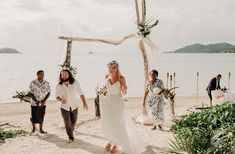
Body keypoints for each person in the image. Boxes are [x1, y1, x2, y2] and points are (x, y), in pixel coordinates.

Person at [99, 60, 146, 154]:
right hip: (109, 101)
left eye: (114, 67)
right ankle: (110, 140)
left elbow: (124, 92)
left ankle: (115, 144)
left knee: (118, 122)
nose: (111, 69)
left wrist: (125, 88)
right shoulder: (106, 77)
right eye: (110, 67)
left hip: (117, 102)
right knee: (109, 122)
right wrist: (101, 90)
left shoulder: (121, 78)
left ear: (117, 68)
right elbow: (105, 88)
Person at [56, 69, 88, 142]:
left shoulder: (75, 82)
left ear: (69, 74)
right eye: (62, 75)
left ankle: (71, 130)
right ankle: (71, 137)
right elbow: (56, 96)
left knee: (73, 122)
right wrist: (61, 100)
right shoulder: (58, 85)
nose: (64, 76)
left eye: (65, 74)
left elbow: (81, 93)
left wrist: (84, 102)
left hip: (74, 106)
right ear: (60, 76)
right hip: (64, 107)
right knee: (67, 122)